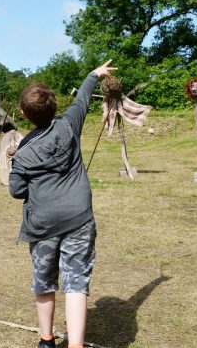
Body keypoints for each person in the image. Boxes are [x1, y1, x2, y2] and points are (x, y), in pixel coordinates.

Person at [8, 60, 117, 348]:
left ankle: (47, 340)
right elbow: (82, 98)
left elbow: (17, 191)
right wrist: (95, 74)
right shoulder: (69, 125)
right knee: (76, 282)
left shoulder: (22, 153)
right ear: (55, 106)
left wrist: (16, 163)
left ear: (23, 114)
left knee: (44, 281)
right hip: (79, 218)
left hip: (43, 225)